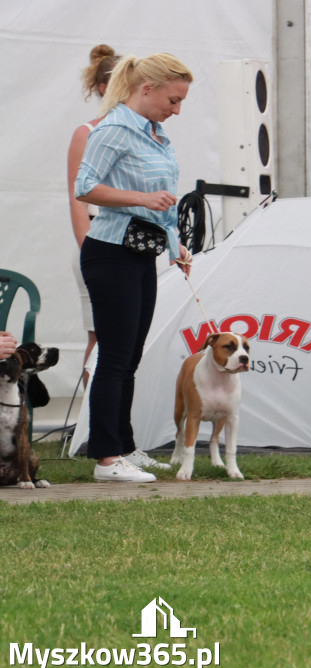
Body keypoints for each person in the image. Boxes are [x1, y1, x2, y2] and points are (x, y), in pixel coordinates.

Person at [74, 53, 194, 482]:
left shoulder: (155, 134)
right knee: (114, 356)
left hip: (142, 252)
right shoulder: (113, 130)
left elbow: (166, 198)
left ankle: (123, 445)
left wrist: (177, 248)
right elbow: (84, 186)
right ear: (147, 89)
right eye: (173, 100)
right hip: (110, 253)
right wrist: (140, 200)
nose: (176, 110)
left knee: (130, 357)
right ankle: (106, 458)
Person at [67, 44, 119, 387]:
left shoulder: (146, 131)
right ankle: (89, 424)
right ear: (103, 87)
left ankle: (116, 424)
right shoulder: (87, 132)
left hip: (131, 243)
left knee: (124, 341)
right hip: (99, 239)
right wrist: (91, 250)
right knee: (100, 337)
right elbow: (77, 199)